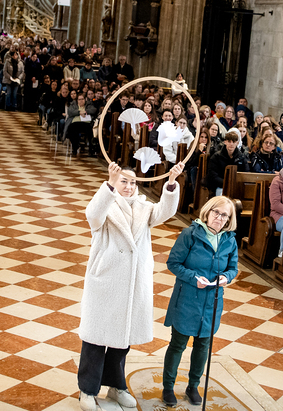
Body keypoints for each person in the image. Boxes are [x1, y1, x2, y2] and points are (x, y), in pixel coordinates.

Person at [77, 161, 183, 411]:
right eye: (124, 180)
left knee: (122, 338)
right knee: (95, 338)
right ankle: (87, 390)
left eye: (133, 181)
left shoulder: (144, 207)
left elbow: (165, 212)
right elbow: (92, 216)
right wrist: (109, 185)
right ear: (115, 181)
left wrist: (170, 184)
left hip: (133, 282)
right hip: (106, 279)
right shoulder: (106, 203)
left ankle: (116, 386)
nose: (128, 186)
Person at [160, 195, 238, 407]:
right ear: (208, 211)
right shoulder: (190, 234)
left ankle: (193, 386)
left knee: (203, 345)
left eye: (225, 215)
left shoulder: (229, 240)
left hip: (212, 301)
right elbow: (173, 263)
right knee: (178, 344)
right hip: (187, 298)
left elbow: (233, 268)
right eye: (216, 213)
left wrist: (226, 278)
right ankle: (168, 387)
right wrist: (194, 278)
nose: (220, 218)